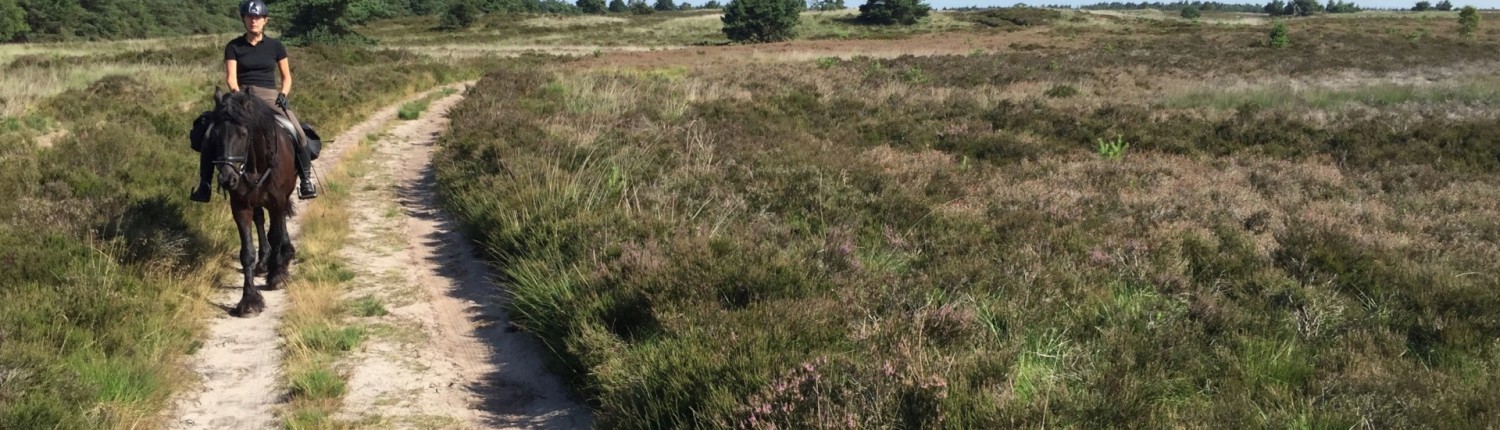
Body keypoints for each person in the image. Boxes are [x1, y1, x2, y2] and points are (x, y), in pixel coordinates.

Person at [192, 0, 316, 202]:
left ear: (265, 21)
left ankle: (306, 181)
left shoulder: (276, 46)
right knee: (209, 134)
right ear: (244, 20)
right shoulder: (234, 46)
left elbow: (287, 77)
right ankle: (204, 184)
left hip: (269, 95)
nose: (253, 21)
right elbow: (231, 77)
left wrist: (283, 95)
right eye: (249, 17)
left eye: (258, 17)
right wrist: (238, 96)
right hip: (241, 95)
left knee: (298, 133)